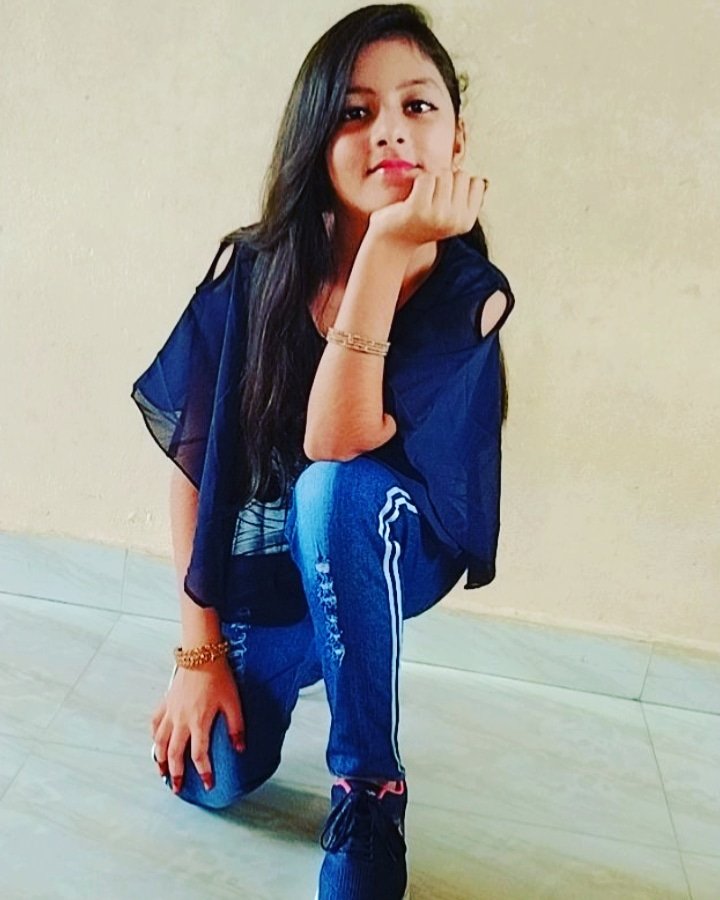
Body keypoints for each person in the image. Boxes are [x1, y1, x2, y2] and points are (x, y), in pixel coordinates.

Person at [130, 4, 516, 898]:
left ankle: (368, 794)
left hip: (390, 541)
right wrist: (198, 655)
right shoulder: (253, 270)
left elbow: (334, 444)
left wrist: (386, 248)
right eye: (355, 111)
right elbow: (195, 467)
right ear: (315, 136)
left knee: (331, 492)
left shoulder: (471, 297)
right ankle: (310, 649)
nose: (391, 131)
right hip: (267, 564)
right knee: (208, 776)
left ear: (457, 139)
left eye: (418, 106)